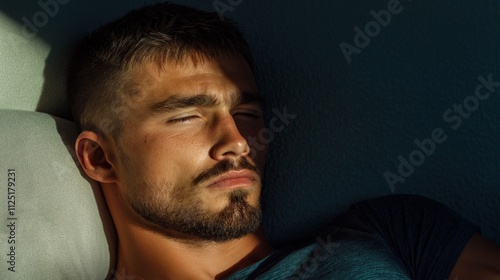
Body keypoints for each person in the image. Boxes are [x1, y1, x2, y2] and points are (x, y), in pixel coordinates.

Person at [67, 2, 500, 279]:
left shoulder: (394, 232)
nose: (237, 142)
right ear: (101, 157)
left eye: (247, 115)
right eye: (187, 117)